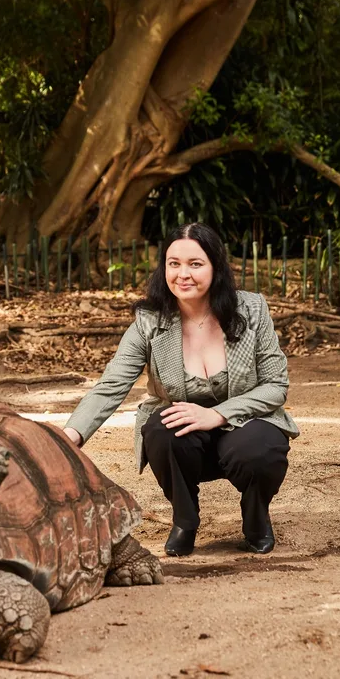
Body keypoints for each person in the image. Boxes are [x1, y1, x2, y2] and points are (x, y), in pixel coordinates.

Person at [63, 222, 299, 557]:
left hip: (246, 424)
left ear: (215, 267)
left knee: (260, 449)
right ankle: (184, 522)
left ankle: (256, 518)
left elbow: (276, 385)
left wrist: (217, 414)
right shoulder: (150, 320)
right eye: (174, 264)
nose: (182, 274)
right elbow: (112, 384)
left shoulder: (252, 309)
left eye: (195, 264)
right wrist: (70, 435)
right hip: (188, 437)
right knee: (160, 429)